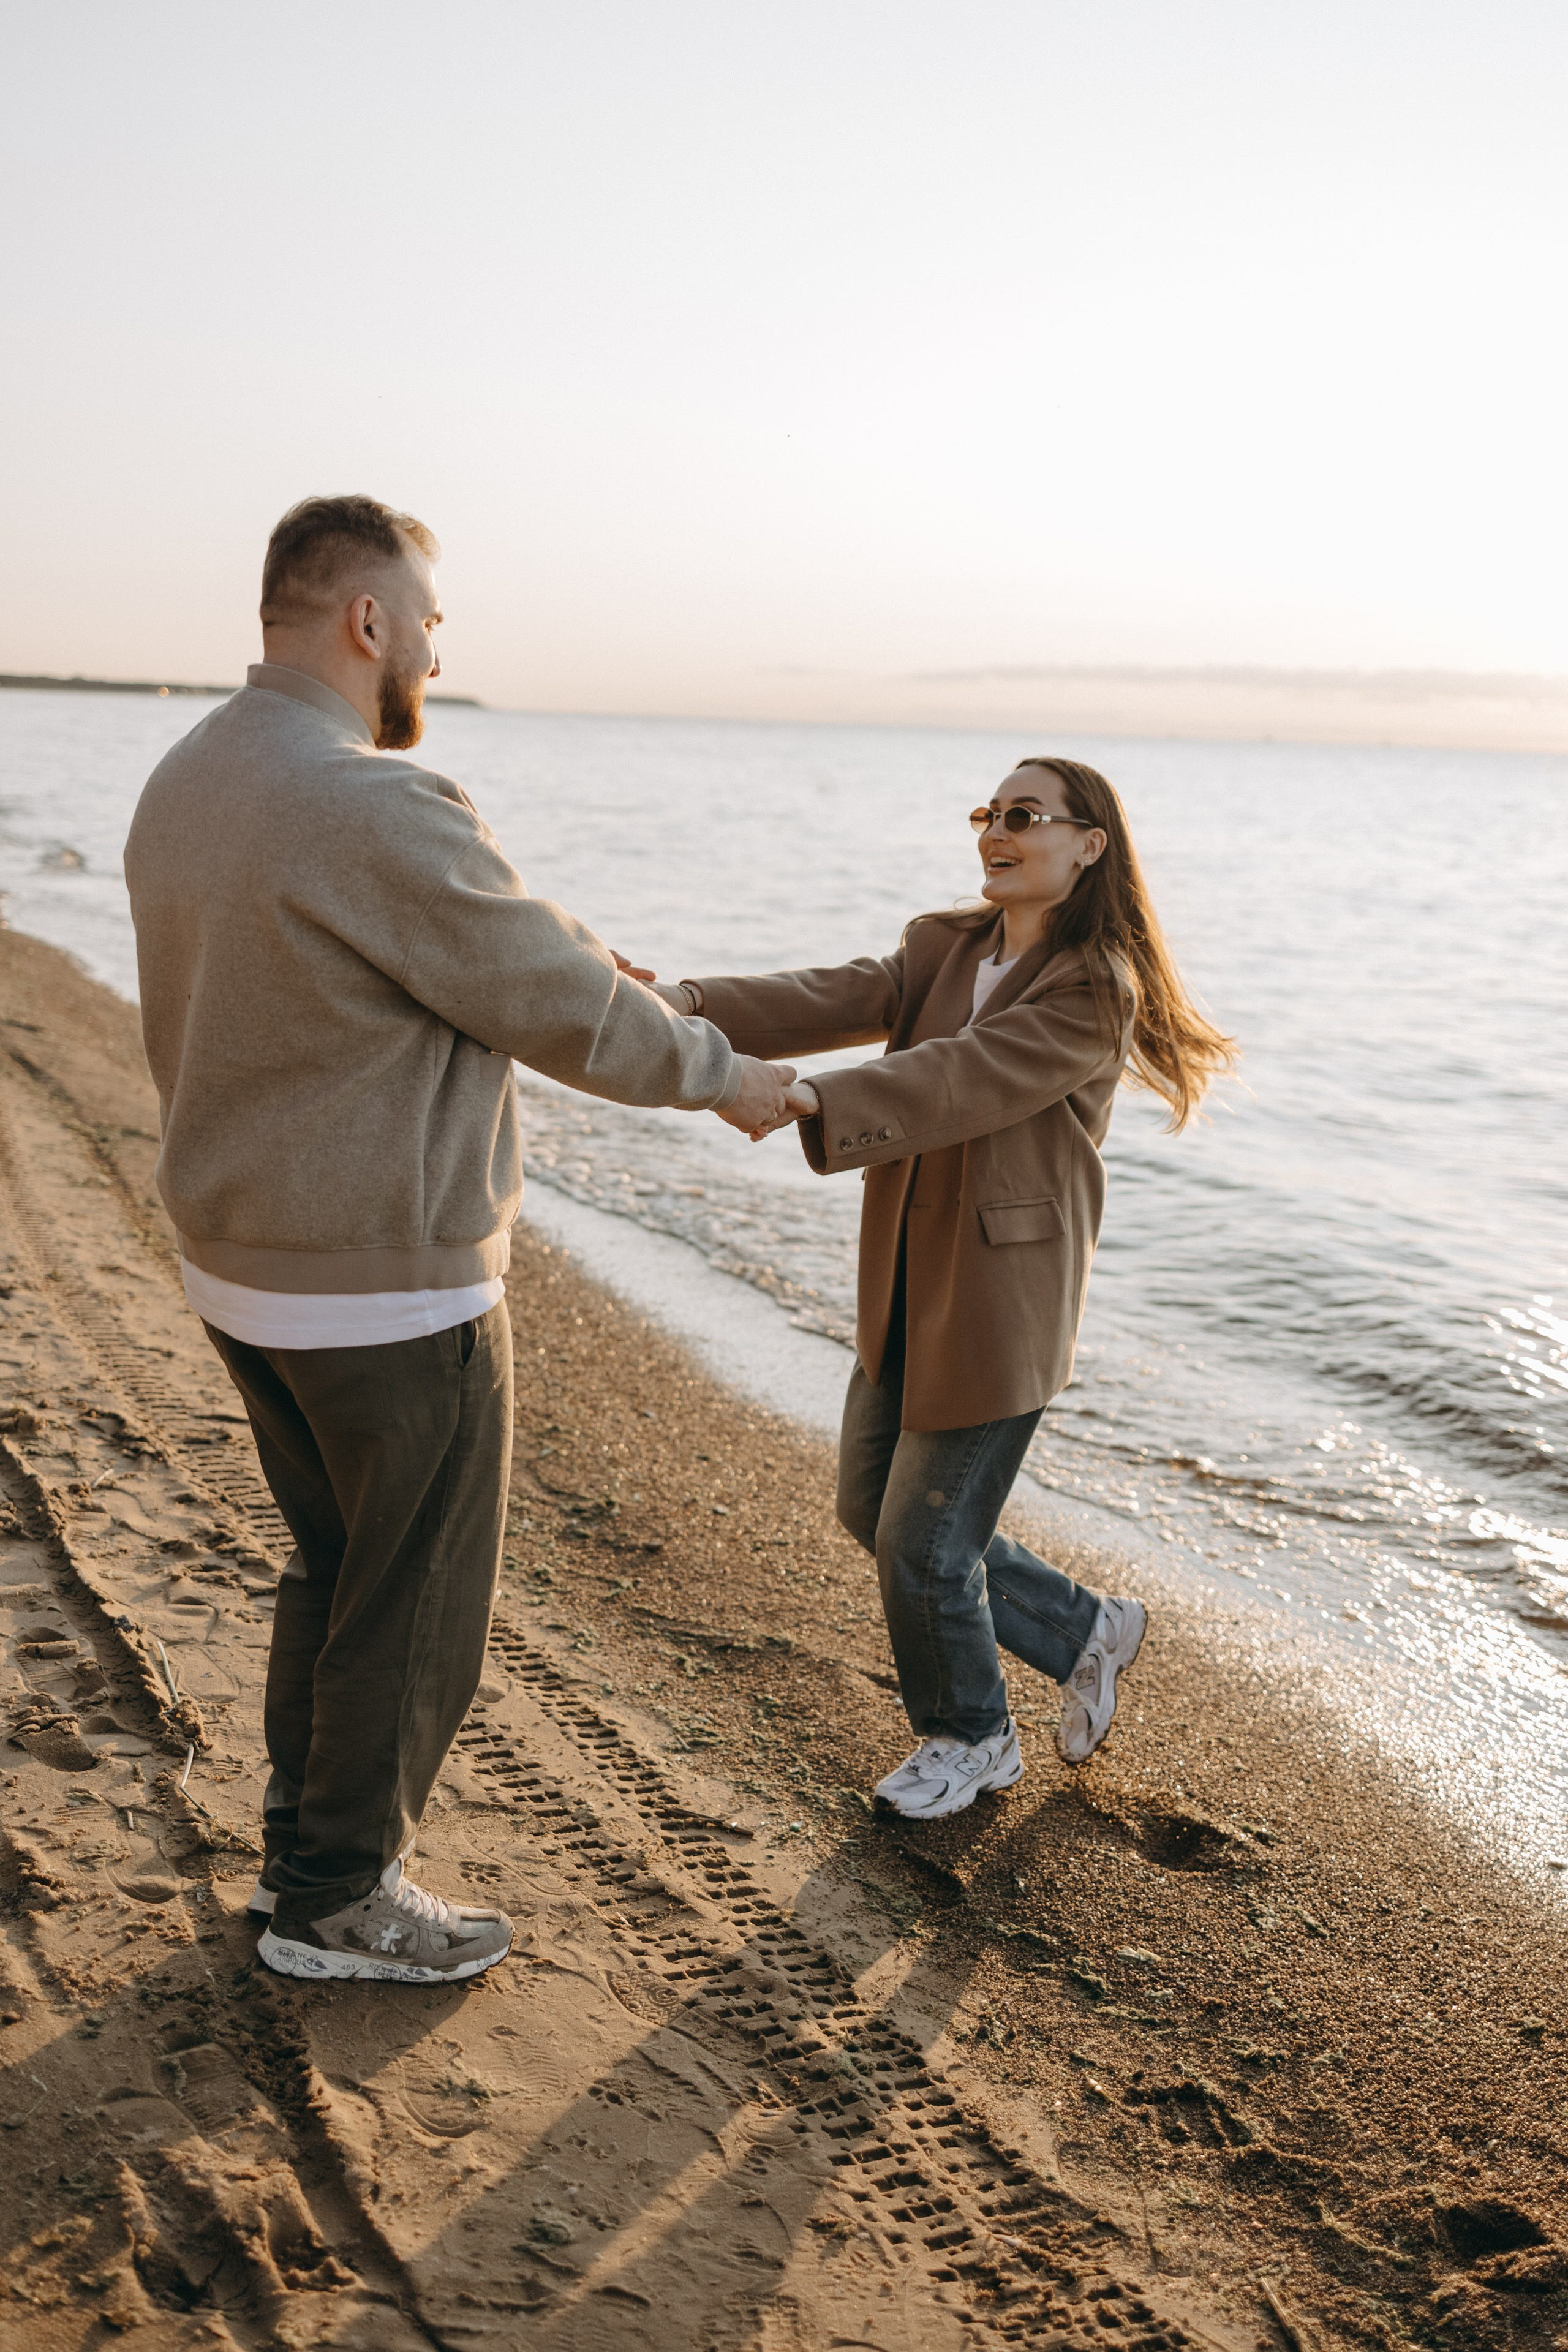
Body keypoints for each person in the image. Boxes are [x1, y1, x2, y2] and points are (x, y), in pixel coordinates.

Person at [124, 494, 794, 1983]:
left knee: (337, 1577)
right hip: (383, 1290)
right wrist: (728, 1077)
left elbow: (456, 951)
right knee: (414, 1607)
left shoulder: (190, 772)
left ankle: (305, 1864)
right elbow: (556, 1005)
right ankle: (337, 1905)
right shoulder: (367, 797)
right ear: (367, 620)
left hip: (243, 1265)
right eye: (426, 619)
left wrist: (573, 955)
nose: (434, 648)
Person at [657, 759, 1235, 1819]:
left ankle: (974, 1736)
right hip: (906, 1272)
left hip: (1002, 1297)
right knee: (872, 1509)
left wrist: (807, 1098)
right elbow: (832, 993)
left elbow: (962, 1075)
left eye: (1025, 815)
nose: (996, 831)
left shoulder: (1095, 988)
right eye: (988, 813)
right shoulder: (944, 945)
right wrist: (684, 1002)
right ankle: (1084, 1628)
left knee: (924, 1544)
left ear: (1089, 845)